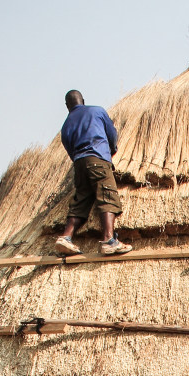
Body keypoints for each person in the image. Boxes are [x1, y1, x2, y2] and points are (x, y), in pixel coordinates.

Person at [56, 90, 132, 255]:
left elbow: (70, 151)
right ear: (82, 100)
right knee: (107, 195)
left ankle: (66, 237)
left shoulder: (66, 125)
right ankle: (109, 240)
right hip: (97, 158)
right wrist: (111, 150)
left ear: (67, 106)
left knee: (81, 200)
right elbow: (111, 133)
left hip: (79, 164)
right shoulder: (97, 110)